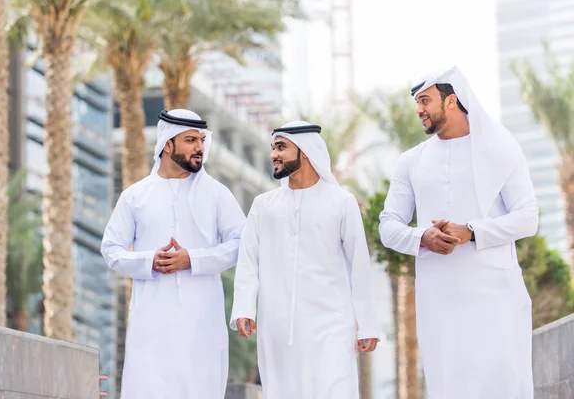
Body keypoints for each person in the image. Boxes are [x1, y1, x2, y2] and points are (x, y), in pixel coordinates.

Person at [379, 66, 538, 398]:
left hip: (497, 297)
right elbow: (388, 226)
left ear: (451, 100)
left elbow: (528, 217)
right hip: (440, 300)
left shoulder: (500, 148)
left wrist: (471, 231)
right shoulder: (411, 162)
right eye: (417, 102)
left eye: (425, 100)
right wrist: (423, 236)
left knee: (504, 385)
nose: (419, 110)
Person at [101, 109, 245, 398]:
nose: (200, 148)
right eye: (191, 140)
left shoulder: (217, 194)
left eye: (202, 141)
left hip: (202, 324)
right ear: (168, 144)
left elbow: (242, 243)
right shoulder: (135, 195)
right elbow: (111, 249)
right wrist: (148, 261)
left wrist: (191, 259)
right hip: (151, 323)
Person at [230, 121, 380, 399]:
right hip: (277, 327)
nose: (274, 154)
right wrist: (244, 308)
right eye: (273, 148)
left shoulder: (341, 202)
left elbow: (358, 266)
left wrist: (368, 324)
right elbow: (249, 260)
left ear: (307, 151)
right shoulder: (264, 205)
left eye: (281, 147)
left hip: (331, 325)